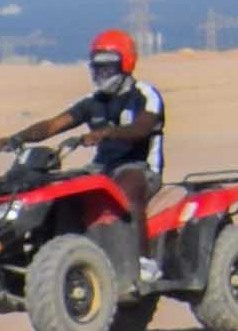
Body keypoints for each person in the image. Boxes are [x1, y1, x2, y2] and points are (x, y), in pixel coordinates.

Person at [23, 27, 169, 220]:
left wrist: (105, 133)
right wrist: (17, 137)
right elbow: (55, 124)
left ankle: (139, 251)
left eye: (107, 68)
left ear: (126, 64)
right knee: (64, 192)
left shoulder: (144, 94)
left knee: (126, 190)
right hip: (101, 168)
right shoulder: (94, 101)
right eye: (97, 68)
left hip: (140, 168)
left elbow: (141, 129)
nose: (101, 74)